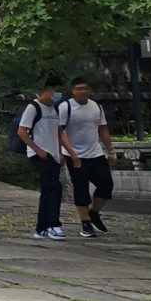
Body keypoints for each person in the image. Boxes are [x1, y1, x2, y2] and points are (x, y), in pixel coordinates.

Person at [17, 73, 68, 239]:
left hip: (52, 154)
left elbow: (58, 133)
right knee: (54, 187)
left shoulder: (54, 108)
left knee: (49, 189)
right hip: (39, 154)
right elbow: (22, 132)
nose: (59, 95)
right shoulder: (34, 107)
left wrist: (60, 153)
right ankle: (54, 224)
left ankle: (42, 227)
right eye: (57, 91)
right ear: (48, 89)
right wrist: (38, 150)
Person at [61, 76, 114, 236]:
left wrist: (110, 150)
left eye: (84, 88)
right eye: (78, 89)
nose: (82, 91)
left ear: (89, 90)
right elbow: (60, 132)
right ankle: (85, 223)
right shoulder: (66, 107)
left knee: (106, 184)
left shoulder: (96, 107)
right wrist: (71, 153)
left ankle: (94, 212)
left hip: (96, 153)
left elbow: (103, 129)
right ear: (73, 91)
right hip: (75, 155)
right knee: (81, 188)